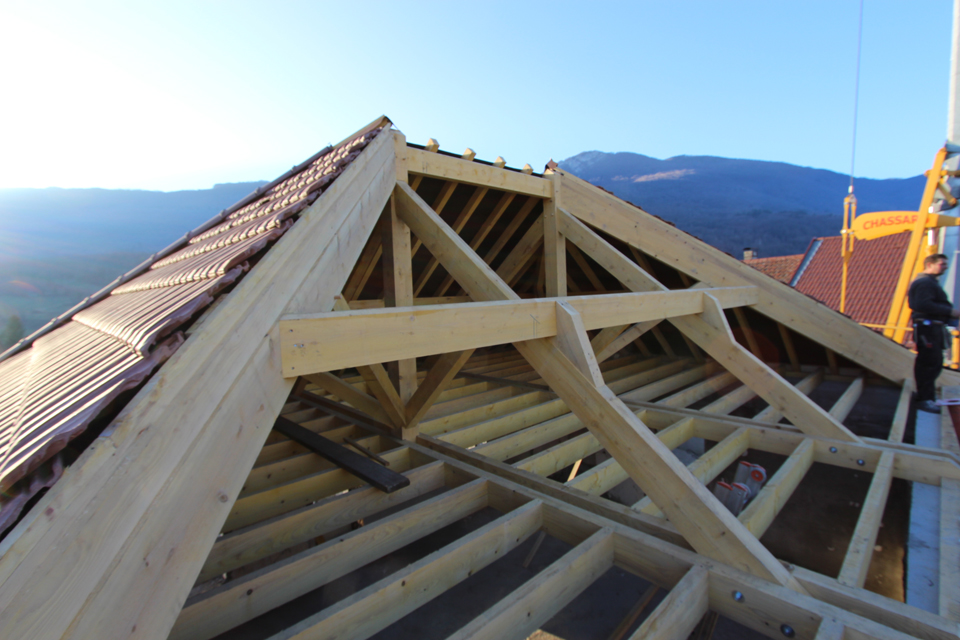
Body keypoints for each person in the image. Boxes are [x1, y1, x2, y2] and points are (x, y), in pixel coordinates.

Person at [908, 253, 960, 413]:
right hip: (928, 328)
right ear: (929, 264)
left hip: (930, 328)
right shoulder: (925, 283)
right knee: (929, 363)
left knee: (932, 362)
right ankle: (924, 399)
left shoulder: (928, 282)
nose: (945, 267)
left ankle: (927, 397)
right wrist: (950, 312)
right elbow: (922, 304)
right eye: (942, 264)